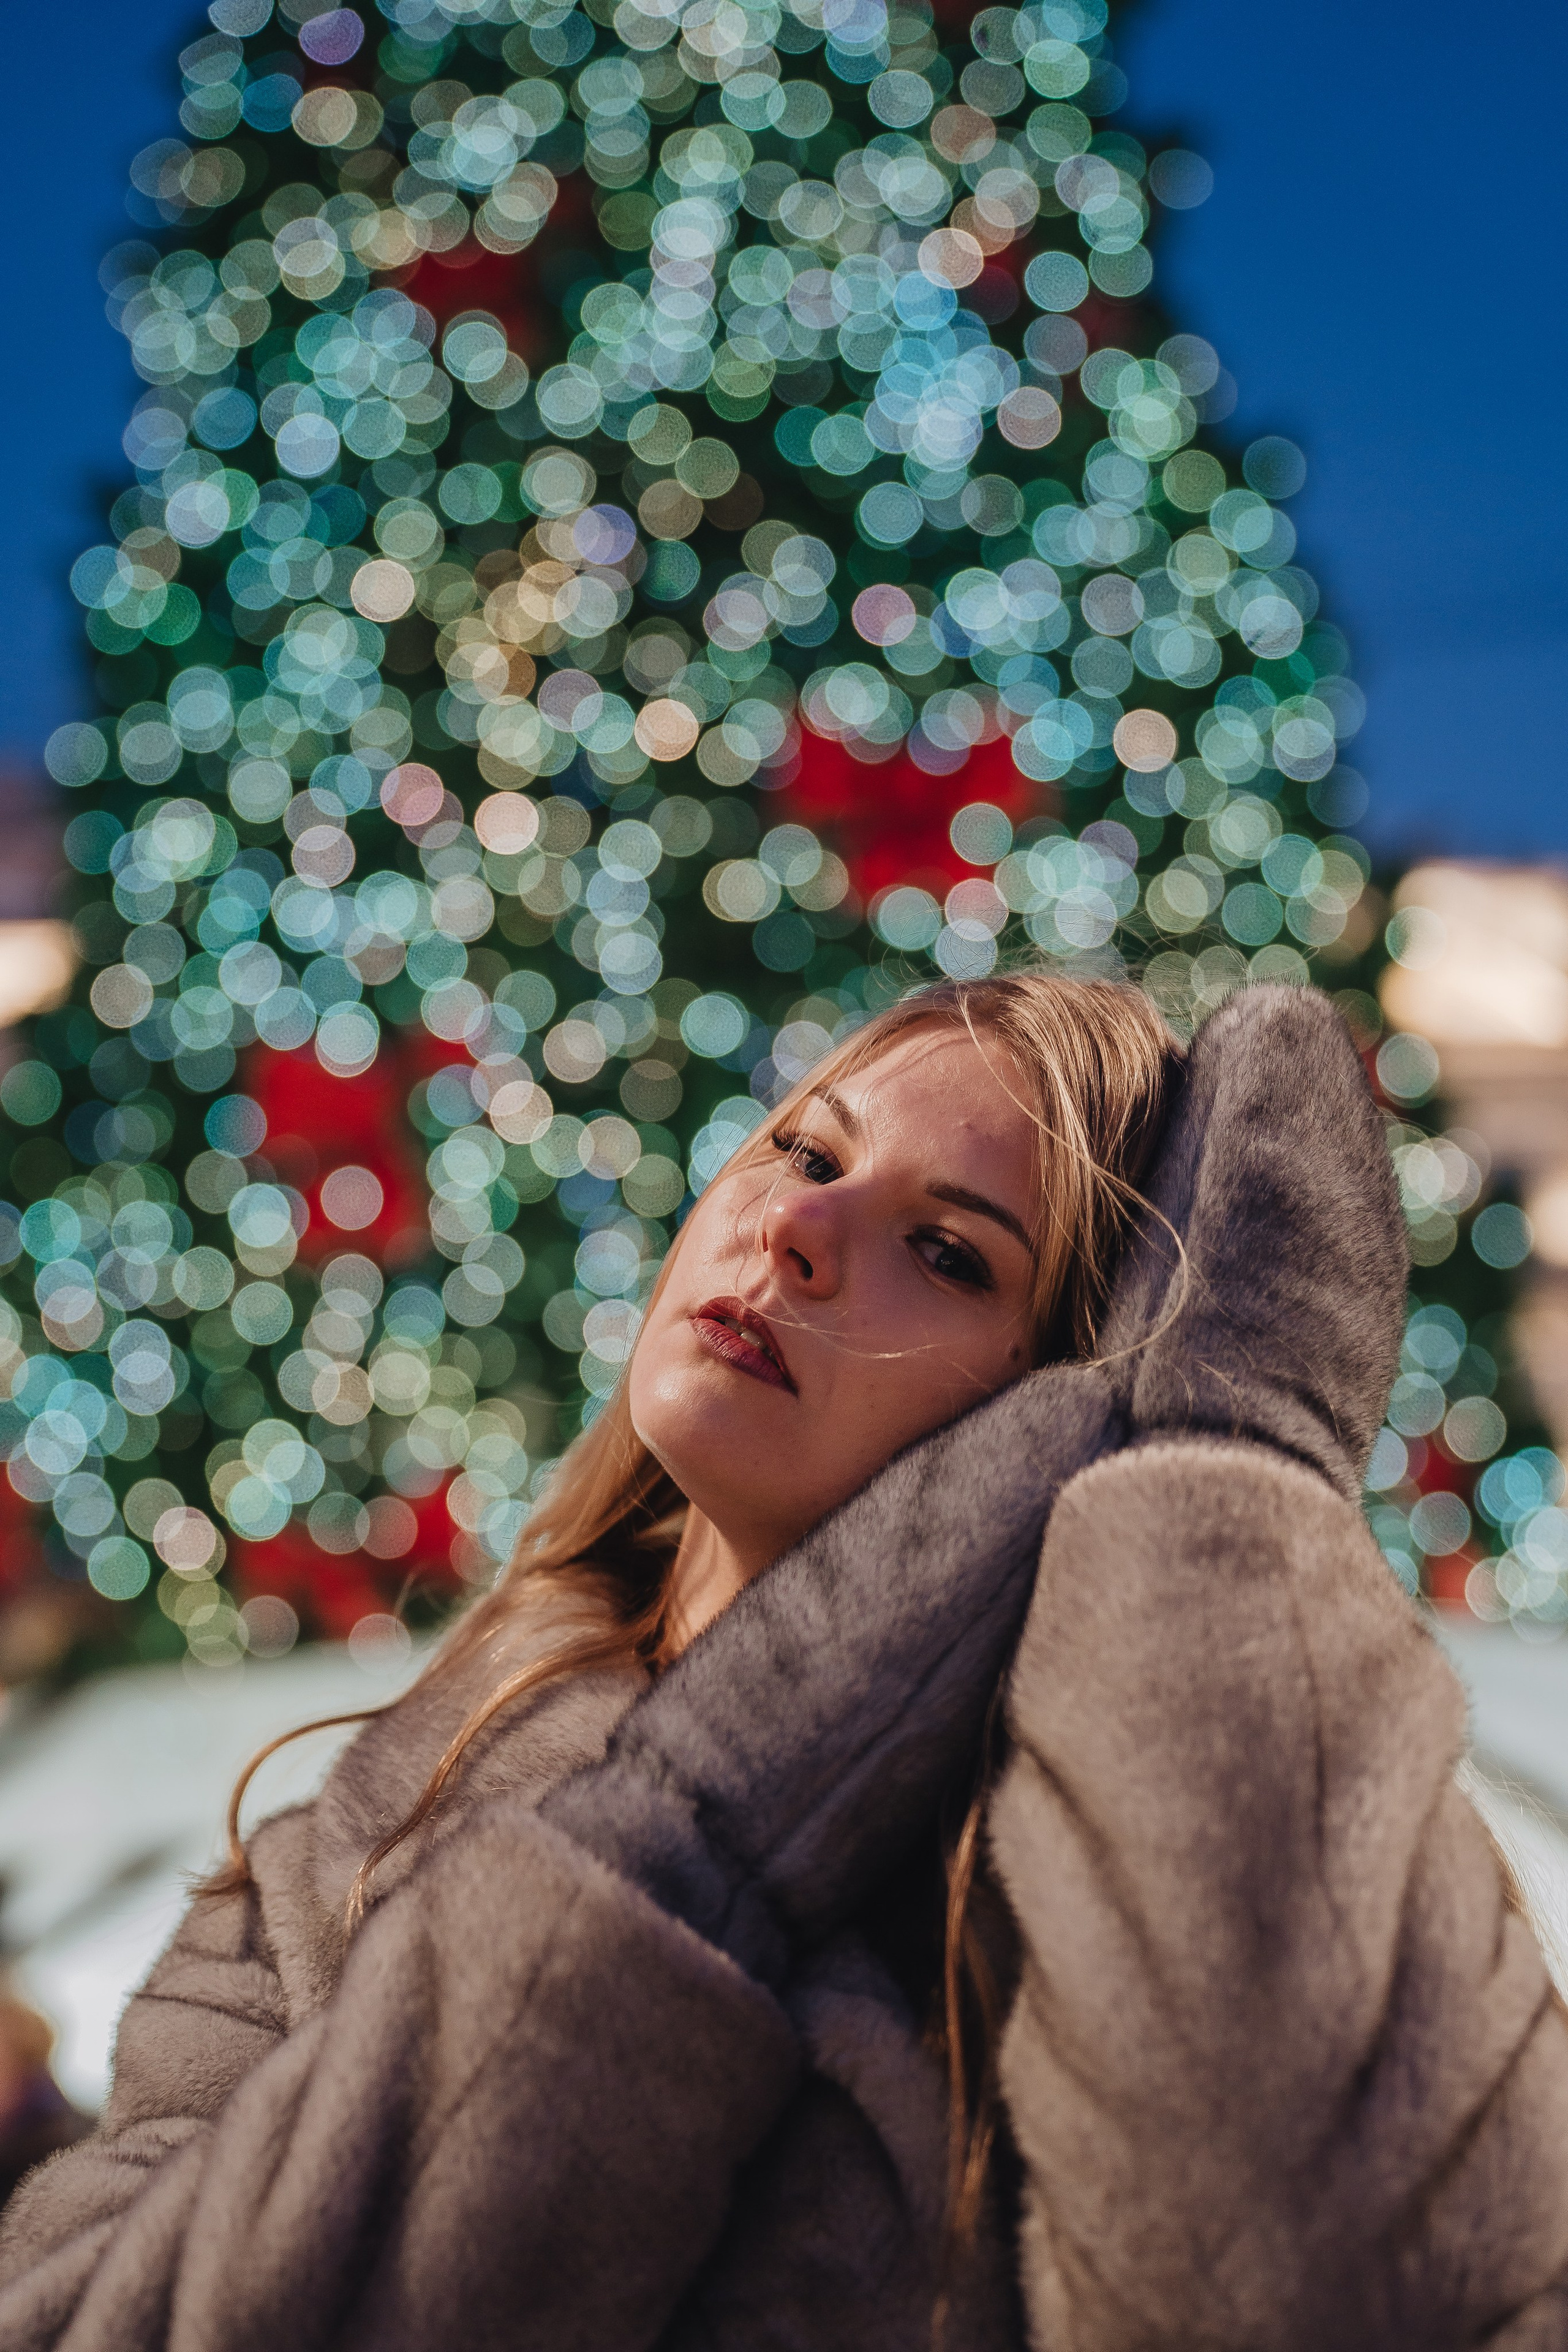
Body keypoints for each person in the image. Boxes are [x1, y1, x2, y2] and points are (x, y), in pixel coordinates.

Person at [2, 970, 1565, 2351]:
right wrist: (695, 1837)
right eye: (805, 1151)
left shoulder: (1219, 1880)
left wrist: (1228, 1456)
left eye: (946, 1252)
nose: (796, 1231)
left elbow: (1340, 2289)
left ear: (1072, 1407)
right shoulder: (346, 1846)